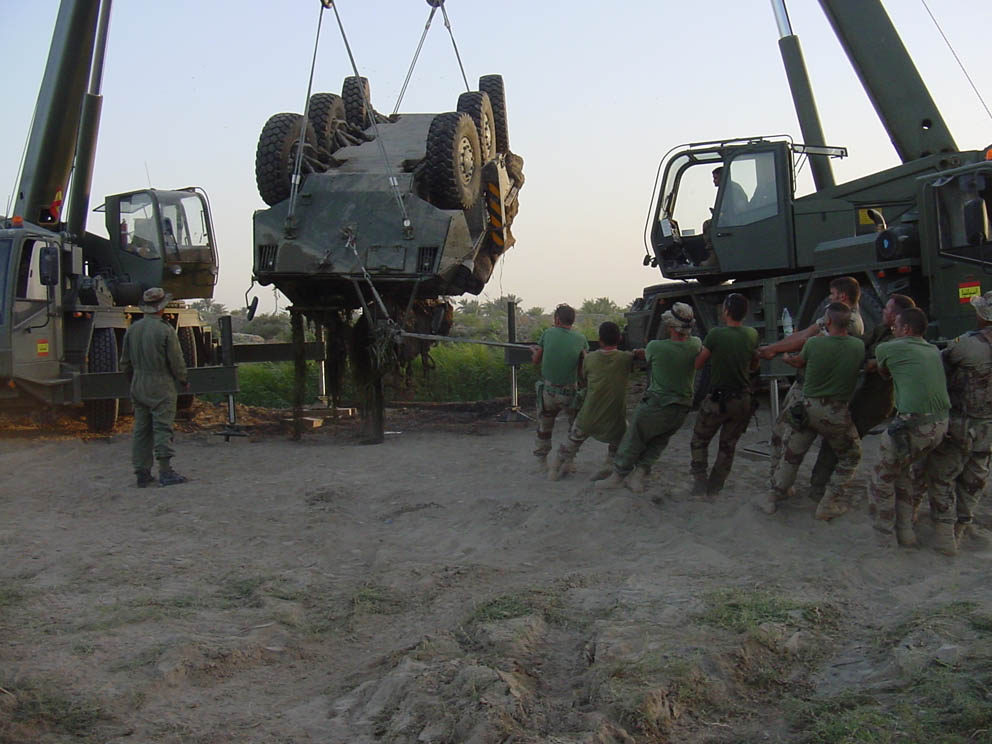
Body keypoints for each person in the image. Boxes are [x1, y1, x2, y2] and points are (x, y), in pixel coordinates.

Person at [808, 294, 916, 501]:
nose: (883, 311)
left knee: (841, 442)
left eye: (887, 309)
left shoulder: (896, 342)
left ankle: (821, 488)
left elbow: (872, 363)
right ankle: (821, 484)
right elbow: (861, 342)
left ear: (896, 316)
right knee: (840, 440)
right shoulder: (883, 330)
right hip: (869, 394)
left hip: (876, 400)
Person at [762, 303, 864, 519]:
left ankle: (774, 495)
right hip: (837, 413)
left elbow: (798, 362)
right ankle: (829, 502)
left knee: (792, 455)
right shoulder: (858, 346)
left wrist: (787, 358)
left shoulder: (813, 344)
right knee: (851, 456)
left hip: (808, 409)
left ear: (828, 321)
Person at [597, 302, 700, 494]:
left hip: (657, 404)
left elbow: (650, 355)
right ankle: (640, 475)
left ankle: (618, 476)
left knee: (634, 437)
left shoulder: (655, 347)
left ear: (670, 325)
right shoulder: (695, 344)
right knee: (659, 442)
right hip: (681, 407)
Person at [869, 307, 950, 548]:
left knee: (881, 478)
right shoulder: (933, 350)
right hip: (940, 425)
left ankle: (883, 536)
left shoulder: (889, 348)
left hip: (913, 425)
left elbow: (884, 372)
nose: (892, 330)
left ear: (905, 329)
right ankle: (906, 532)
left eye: (895, 326)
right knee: (902, 472)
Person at [924, 291, 992, 554]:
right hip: (988, 428)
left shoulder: (967, 344)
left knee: (942, 475)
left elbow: (941, 365)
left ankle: (944, 533)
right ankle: (962, 526)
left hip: (961, 422)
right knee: (975, 478)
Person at [689, 293, 758, 498]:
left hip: (717, 400)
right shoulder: (752, 334)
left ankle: (700, 482)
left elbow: (698, 363)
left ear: (726, 311)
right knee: (728, 447)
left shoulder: (715, 335)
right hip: (742, 399)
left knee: (699, 440)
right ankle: (715, 487)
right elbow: (754, 364)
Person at [120, 287, 189, 487]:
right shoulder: (165, 330)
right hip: (160, 383)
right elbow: (176, 361)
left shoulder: (133, 329)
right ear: (162, 306)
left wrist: (134, 380)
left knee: (141, 429)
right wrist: (183, 379)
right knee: (162, 427)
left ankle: (142, 472)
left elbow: (125, 363)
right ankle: (165, 471)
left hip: (138, 383)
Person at [549, 321, 635, 481]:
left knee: (573, 439)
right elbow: (637, 356)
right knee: (623, 437)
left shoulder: (590, 359)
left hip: (590, 413)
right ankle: (610, 463)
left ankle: (555, 467)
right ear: (620, 338)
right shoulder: (626, 358)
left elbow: (584, 377)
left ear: (600, 340)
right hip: (615, 415)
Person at [531, 304, 588, 470]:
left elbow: (536, 360)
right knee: (574, 427)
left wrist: (534, 352)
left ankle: (541, 461)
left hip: (548, 392)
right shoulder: (581, 338)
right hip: (569, 392)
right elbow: (582, 367)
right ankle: (568, 460)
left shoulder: (548, 333)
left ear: (557, 319)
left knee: (544, 427)